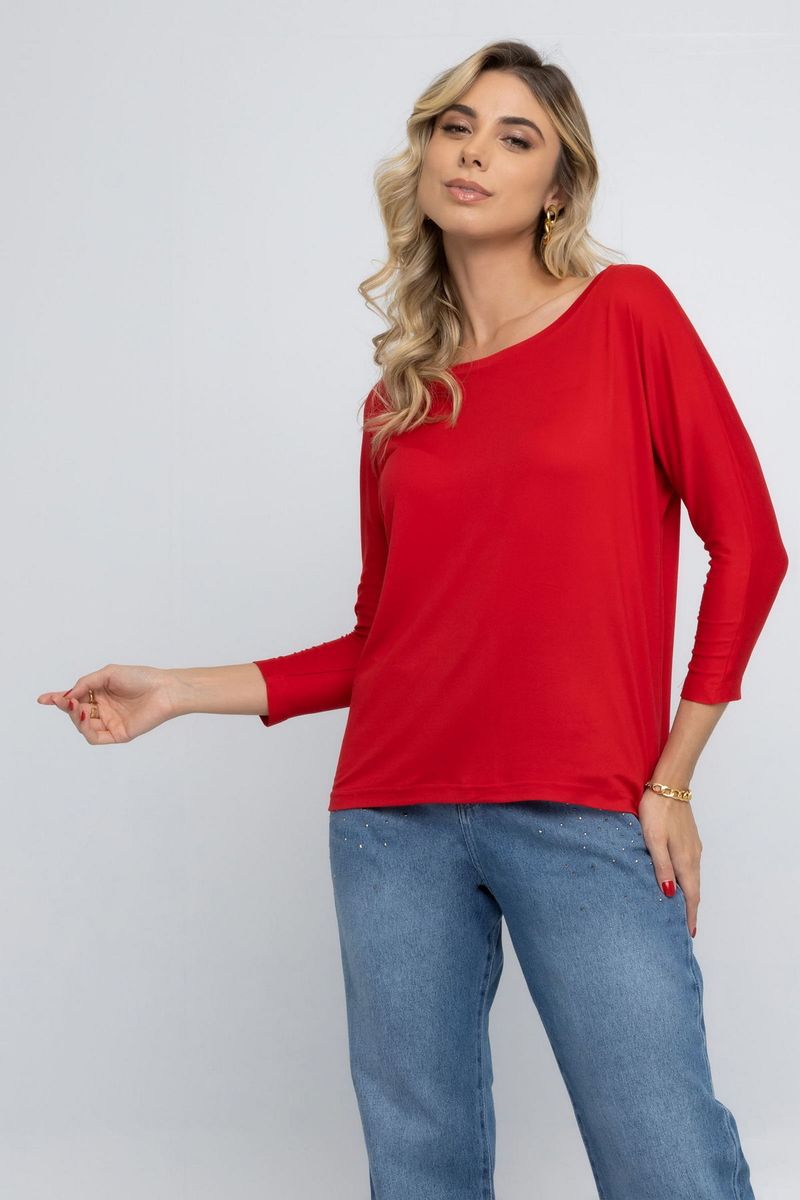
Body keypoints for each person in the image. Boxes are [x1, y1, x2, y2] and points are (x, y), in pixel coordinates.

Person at [38, 40, 788, 1200]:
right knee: (418, 1170)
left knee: (666, 1160)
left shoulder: (626, 315)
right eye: (454, 126)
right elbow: (383, 641)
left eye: (513, 137)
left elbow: (749, 545)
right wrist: (179, 690)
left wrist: (672, 780)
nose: (473, 152)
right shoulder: (398, 400)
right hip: (391, 823)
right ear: (424, 154)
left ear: (556, 187)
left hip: (582, 805)